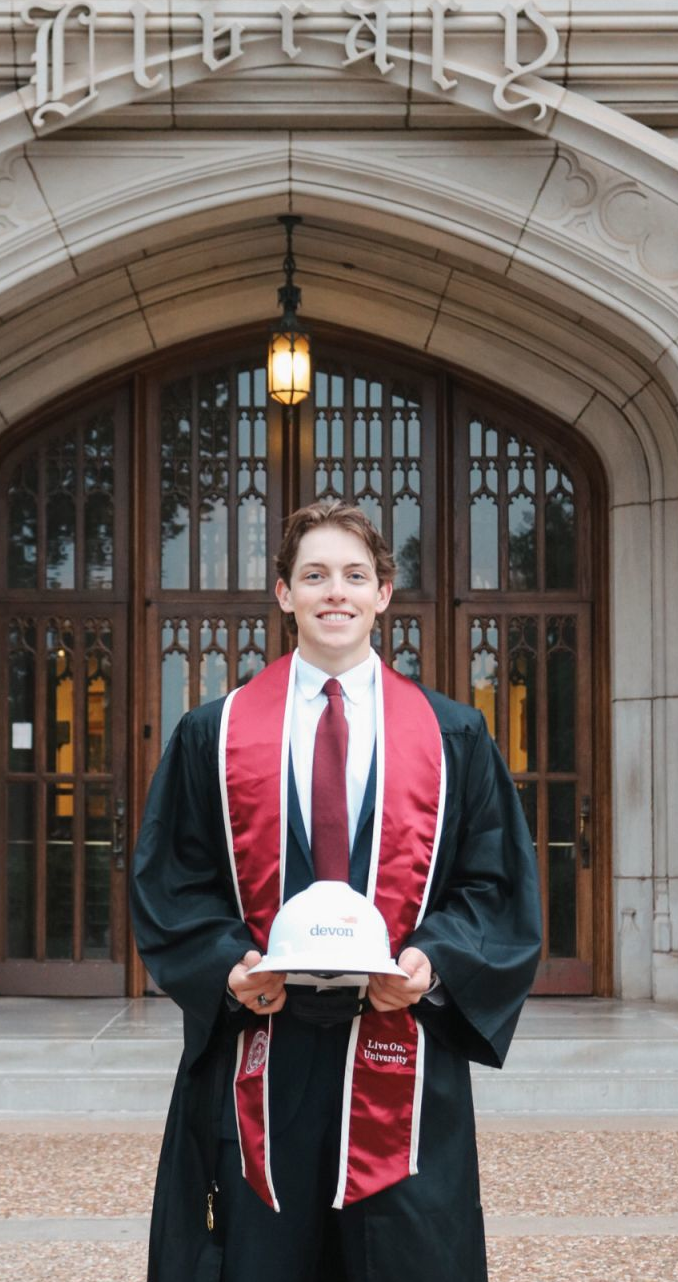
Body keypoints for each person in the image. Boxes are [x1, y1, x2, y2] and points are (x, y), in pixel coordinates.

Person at [131, 501, 541, 1282]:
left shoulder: (453, 735)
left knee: (403, 1255)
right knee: (259, 1254)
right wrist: (227, 966)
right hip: (263, 1046)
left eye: (355, 575)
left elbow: (492, 881)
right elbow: (172, 881)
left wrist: (434, 959)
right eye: (313, 575)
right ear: (282, 592)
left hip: (401, 1042)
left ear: (385, 592)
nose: (335, 592)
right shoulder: (211, 735)